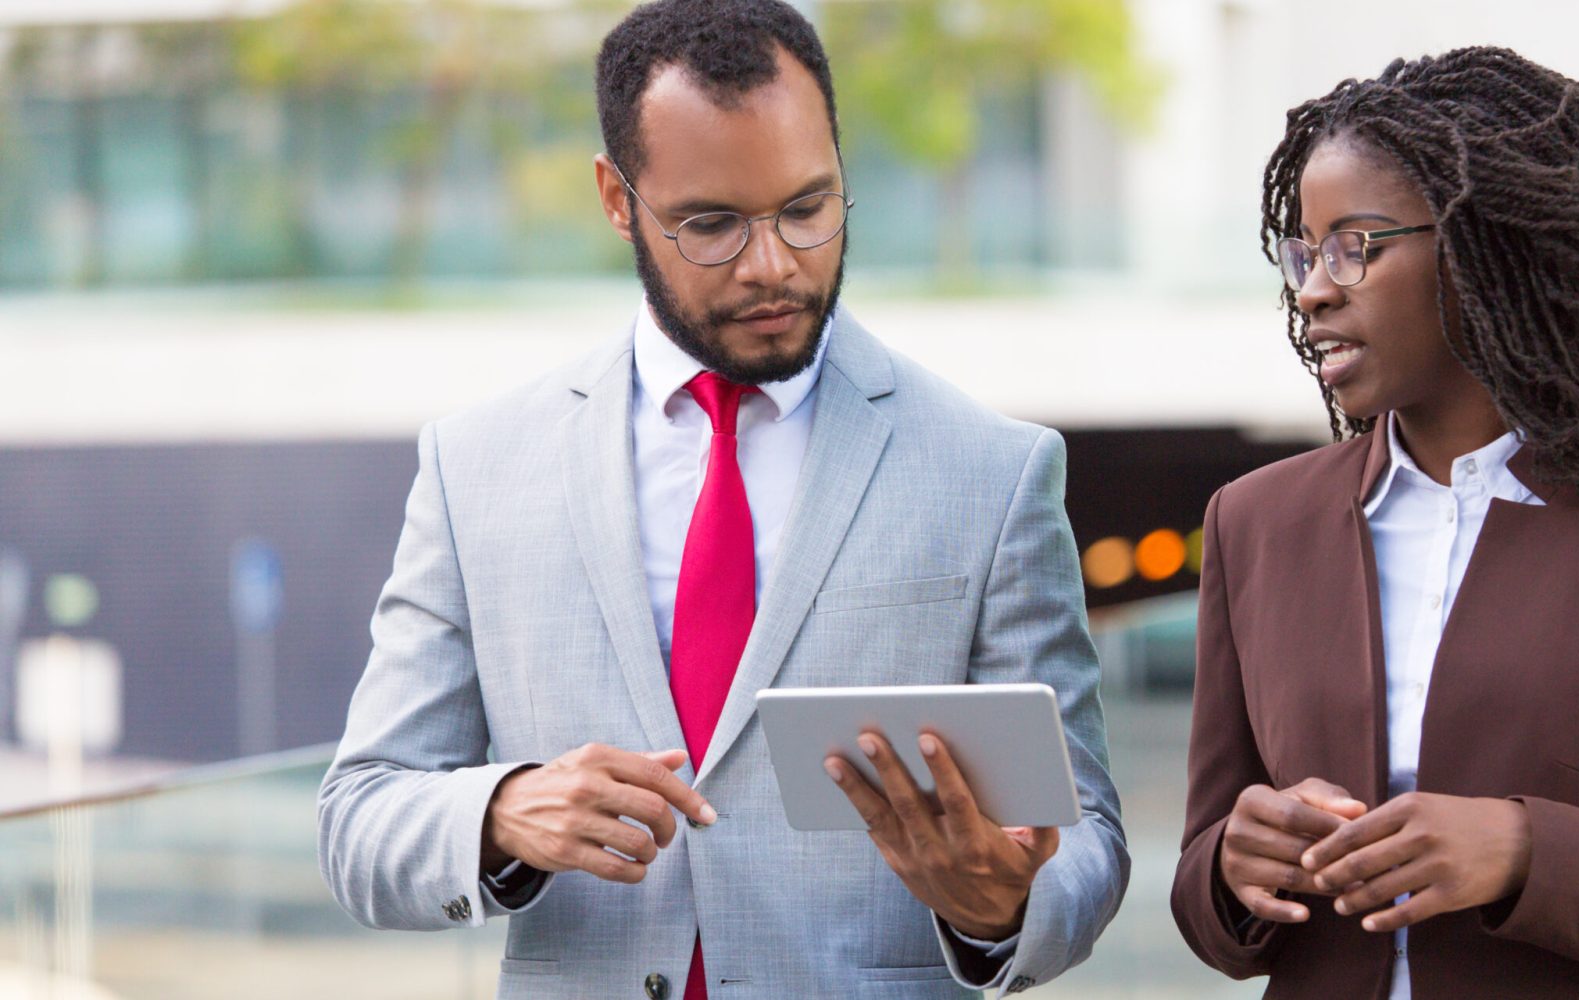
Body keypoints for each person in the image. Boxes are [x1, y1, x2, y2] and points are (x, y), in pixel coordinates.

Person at [316, 2, 1127, 997]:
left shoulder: (991, 471)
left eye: (807, 207)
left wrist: (1008, 904)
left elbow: (1085, 837)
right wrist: (503, 811)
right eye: (711, 224)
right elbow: (358, 816)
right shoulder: (474, 465)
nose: (772, 263)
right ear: (618, 199)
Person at [1171, 47, 1579, 999]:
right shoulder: (1254, 525)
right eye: (1303, 251)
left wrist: (1527, 851)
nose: (1314, 289)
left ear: (1490, 248)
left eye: (1354, 246)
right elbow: (1209, 904)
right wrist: (1231, 867)